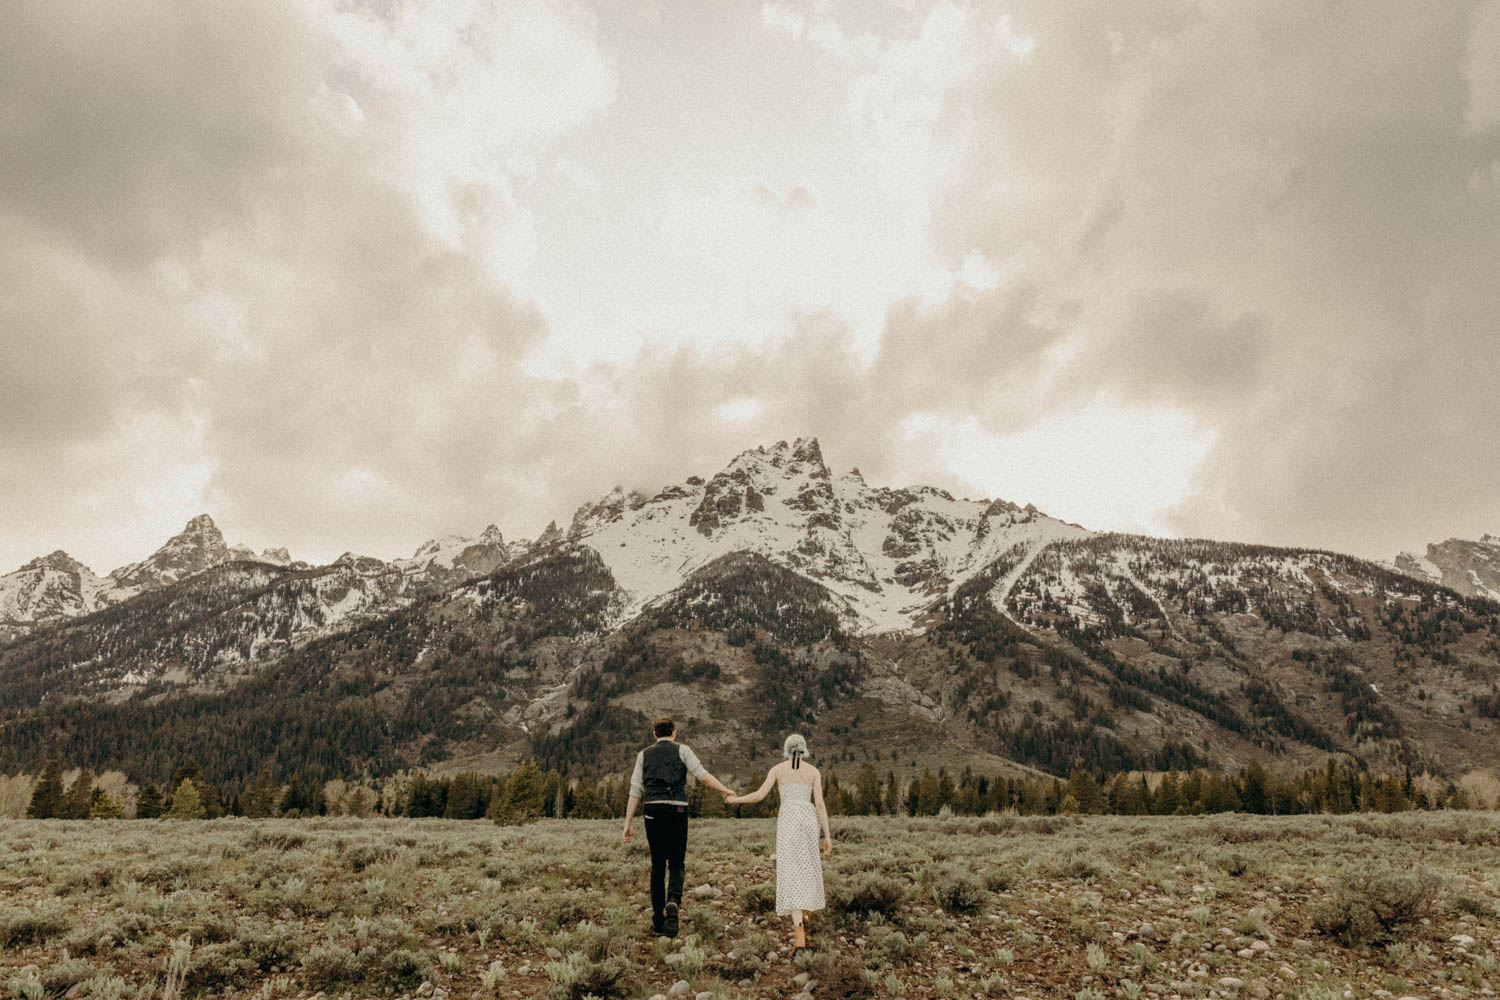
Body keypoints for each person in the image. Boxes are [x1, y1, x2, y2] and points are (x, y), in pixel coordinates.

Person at [622, 717, 734, 937]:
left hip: (653, 810)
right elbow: (702, 775)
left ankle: (657, 922)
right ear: (674, 733)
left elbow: (635, 790)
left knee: (657, 864)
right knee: (676, 862)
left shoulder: (643, 755)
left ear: (654, 735)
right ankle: (673, 901)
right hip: (677, 810)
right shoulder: (683, 751)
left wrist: (627, 824)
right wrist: (724, 790)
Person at [724, 733, 831, 950]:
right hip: (808, 820)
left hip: (789, 820)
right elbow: (819, 804)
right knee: (807, 867)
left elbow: (758, 795)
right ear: (804, 749)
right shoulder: (813, 772)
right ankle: (804, 910)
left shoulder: (778, 769)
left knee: (791, 870)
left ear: (787, 749)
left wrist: (736, 800)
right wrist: (827, 835)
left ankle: (799, 928)